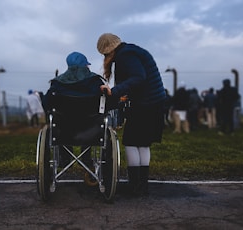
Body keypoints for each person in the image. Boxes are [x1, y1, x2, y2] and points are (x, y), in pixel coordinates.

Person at [97, 33, 166, 197]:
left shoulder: (125, 56)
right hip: (153, 102)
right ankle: (142, 185)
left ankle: (135, 184)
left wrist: (113, 92)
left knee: (130, 142)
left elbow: (138, 77)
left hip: (145, 103)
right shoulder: (131, 51)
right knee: (142, 144)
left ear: (109, 51)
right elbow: (136, 81)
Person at [42, 51, 106, 181]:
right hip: (91, 130)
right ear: (85, 65)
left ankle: (65, 158)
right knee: (91, 122)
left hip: (63, 129)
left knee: (59, 122)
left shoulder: (57, 83)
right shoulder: (96, 81)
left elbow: (47, 104)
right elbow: (106, 103)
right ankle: (86, 158)